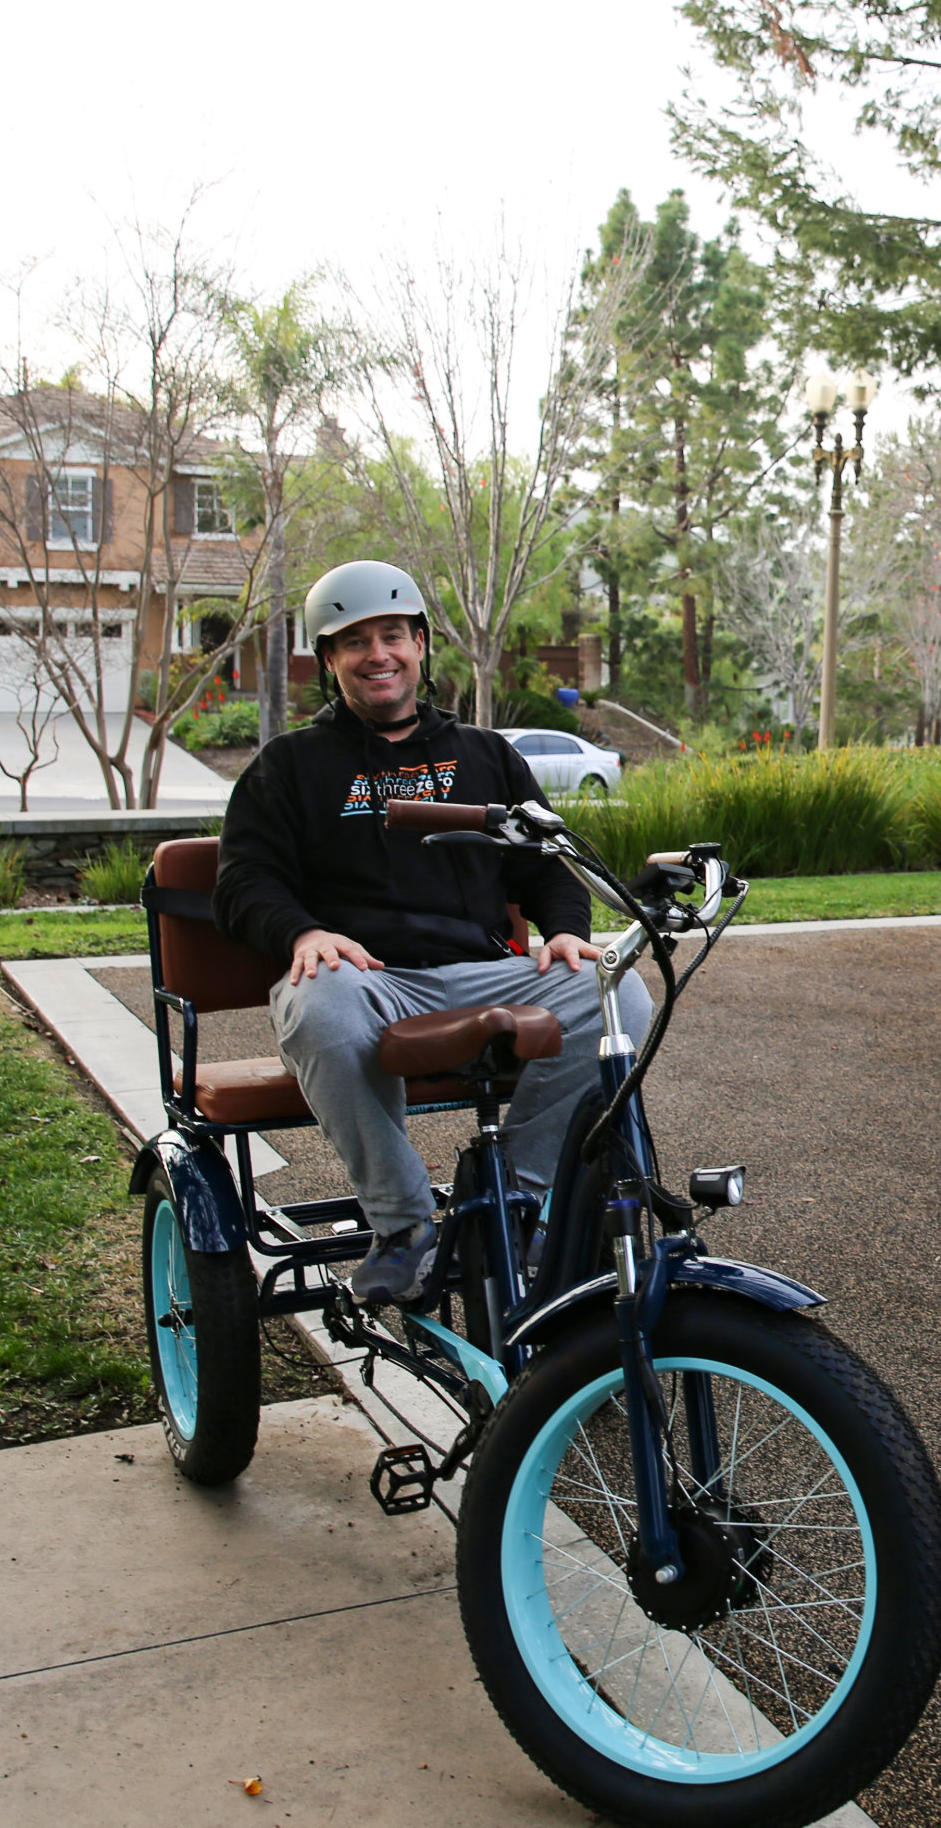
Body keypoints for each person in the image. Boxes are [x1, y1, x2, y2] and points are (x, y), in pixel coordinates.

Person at [212, 559, 652, 1305]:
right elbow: (242, 882)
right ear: (329, 660)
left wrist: (567, 931)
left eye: (392, 635)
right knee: (319, 1003)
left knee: (619, 992)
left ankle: (511, 1202)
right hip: (368, 980)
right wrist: (303, 933)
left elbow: (546, 867)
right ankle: (405, 1226)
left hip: (479, 970)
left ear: (420, 644)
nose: (377, 654)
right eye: (354, 642)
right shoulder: (289, 767)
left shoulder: (485, 756)